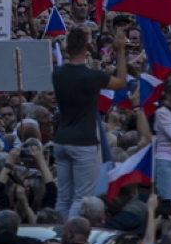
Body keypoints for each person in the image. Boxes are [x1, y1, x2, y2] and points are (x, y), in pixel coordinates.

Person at [52, 27, 127, 219]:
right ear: (87, 47)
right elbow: (121, 82)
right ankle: (72, 239)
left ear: (67, 46)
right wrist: (120, 51)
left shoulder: (57, 74)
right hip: (84, 143)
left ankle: (57, 236)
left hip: (61, 140)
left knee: (63, 198)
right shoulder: (93, 77)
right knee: (81, 198)